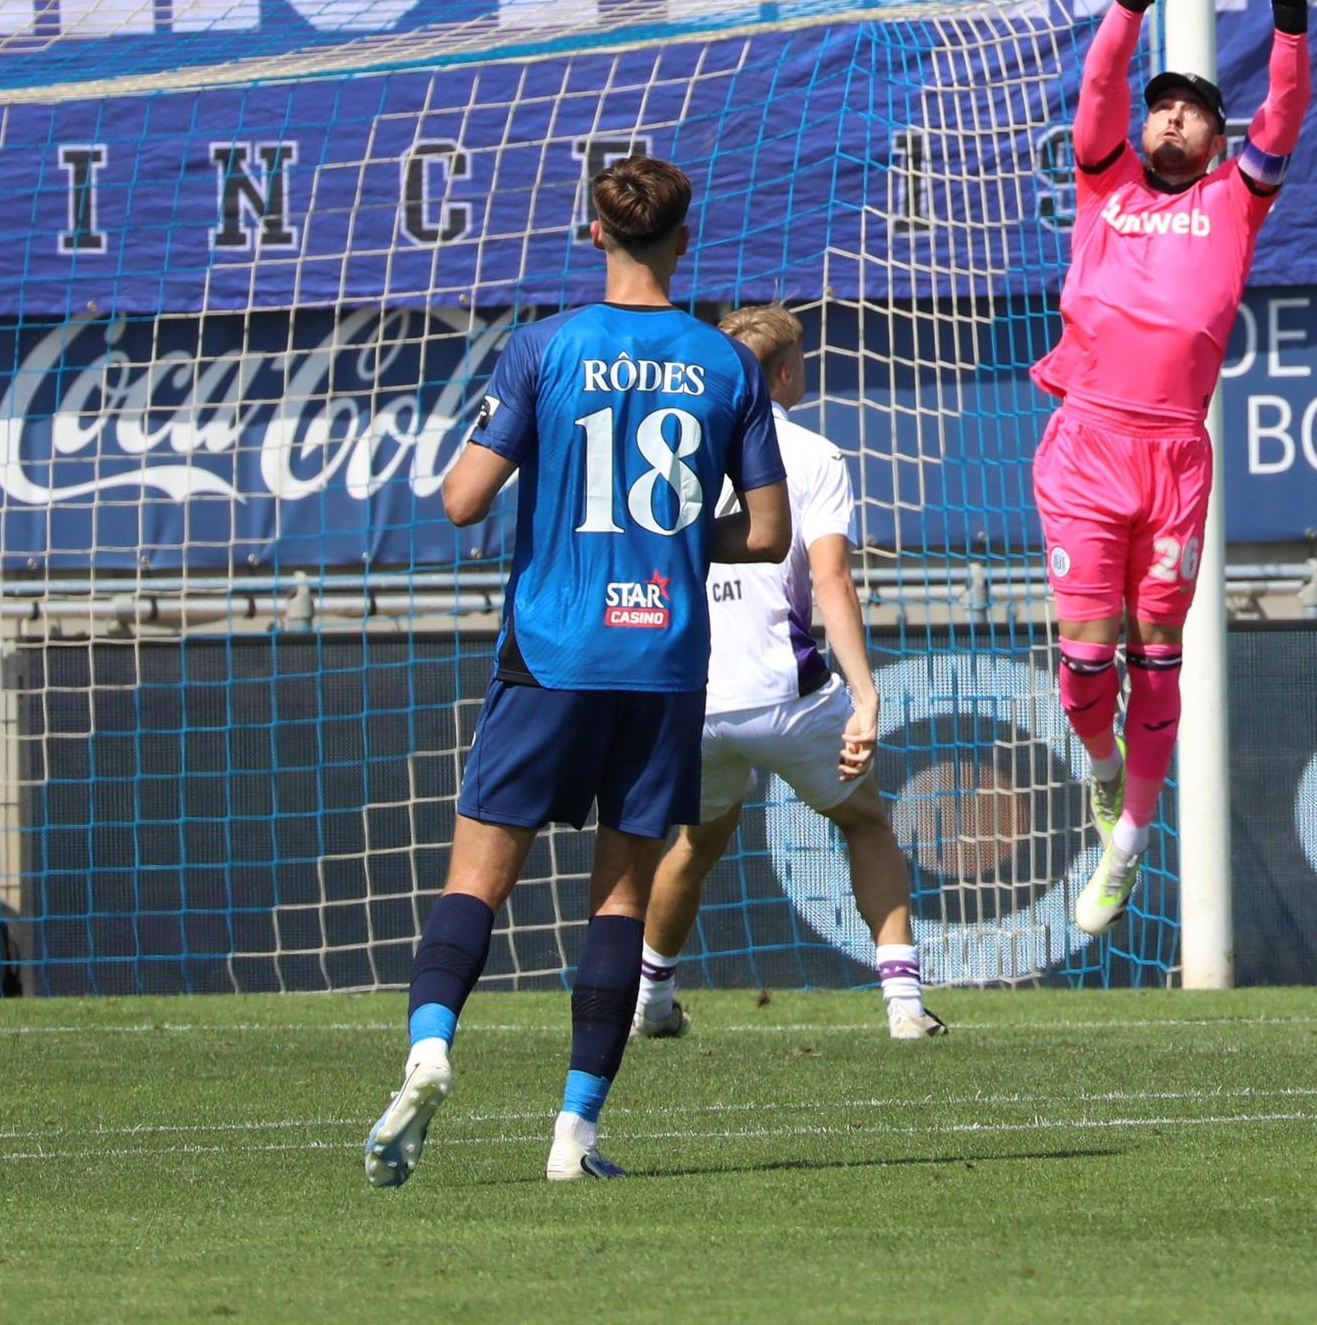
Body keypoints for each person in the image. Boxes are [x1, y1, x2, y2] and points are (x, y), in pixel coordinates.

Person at [358, 162, 788, 1198]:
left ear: (594, 232)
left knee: (477, 879)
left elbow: (462, 500)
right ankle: (571, 1133)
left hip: (551, 650)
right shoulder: (727, 365)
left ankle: (428, 1048)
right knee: (622, 901)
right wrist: (682, 535)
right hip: (663, 661)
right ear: (687, 239)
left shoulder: (545, 348)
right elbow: (768, 533)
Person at [1030, 0, 1317, 939]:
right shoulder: (1106, 185)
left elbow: (1283, 114)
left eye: (1194, 107)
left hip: (1175, 459)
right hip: (1087, 446)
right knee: (1085, 658)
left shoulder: (1236, 199)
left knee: (1158, 646)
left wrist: (1289, 20)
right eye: (1163, 105)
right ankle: (1103, 768)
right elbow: (1101, 80)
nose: (1173, 116)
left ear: (1215, 131)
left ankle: (1129, 837)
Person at [629, 301, 942, 1047]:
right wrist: (864, 694)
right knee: (865, 822)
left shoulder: (665, 448)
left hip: (693, 696)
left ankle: (651, 999)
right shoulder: (814, 455)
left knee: (695, 844)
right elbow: (831, 580)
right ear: (787, 371)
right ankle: (903, 1003)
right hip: (786, 697)